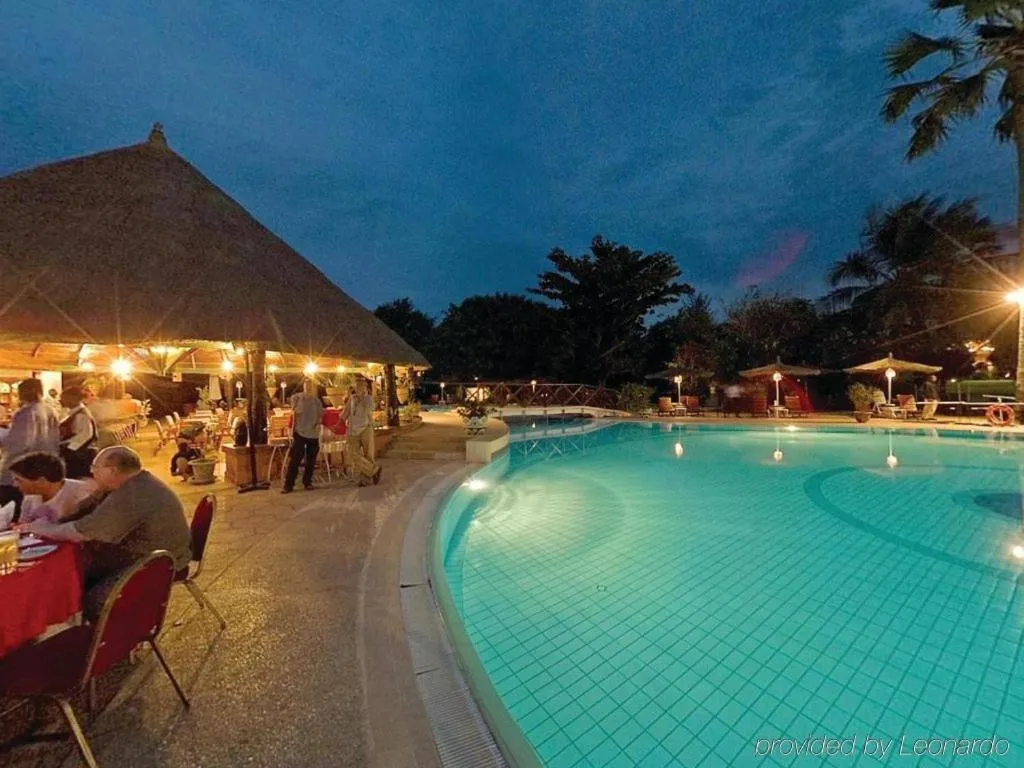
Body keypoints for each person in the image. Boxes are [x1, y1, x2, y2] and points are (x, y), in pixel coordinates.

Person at [19, 446, 191, 616]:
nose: (92, 472)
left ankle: (102, 638)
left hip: (153, 567)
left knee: (77, 592)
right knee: (70, 579)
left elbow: (80, 532)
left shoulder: (131, 495)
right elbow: (79, 514)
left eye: (95, 467)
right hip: (155, 557)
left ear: (112, 471)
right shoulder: (135, 483)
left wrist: (41, 528)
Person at [0, 379, 60, 520]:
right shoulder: (49, 410)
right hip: (44, 464)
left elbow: (19, 443)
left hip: (23, 467)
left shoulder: (26, 412)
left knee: (12, 510)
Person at [10, 452, 95, 525]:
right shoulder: (30, 497)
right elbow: (23, 526)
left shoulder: (80, 494)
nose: (14, 485)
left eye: (19, 480)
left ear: (41, 481)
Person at [282, 380, 325, 493]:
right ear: (304, 387)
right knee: (295, 459)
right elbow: (295, 412)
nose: (309, 388)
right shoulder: (297, 398)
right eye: (307, 386)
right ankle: (288, 485)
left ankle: (307, 482)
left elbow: (321, 415)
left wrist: (318, 423)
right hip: (300, 432)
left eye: (311, 387)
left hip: (313, 434)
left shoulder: (317, 401)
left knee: (311, 460)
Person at [342, 377, 382, 486]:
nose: (358, 387)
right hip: (352, 429)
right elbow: (346, 411)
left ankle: (365, 480)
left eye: (361, 385)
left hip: (366, 428)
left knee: (368, 455)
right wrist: (339, 422)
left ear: (365, 387)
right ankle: (374, 470)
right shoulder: (352, 398)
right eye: (357, 385)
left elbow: (368, 409)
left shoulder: (369, 399)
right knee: (352, 453)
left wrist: (361, 397)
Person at [58, 386, 98, 479]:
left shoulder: (81, 415)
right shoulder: (73, 413)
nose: (61, 400)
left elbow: (86, 435)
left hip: (80, 457)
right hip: (78, 454)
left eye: (63, 398)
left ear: (73, 399)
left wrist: (68, 448)